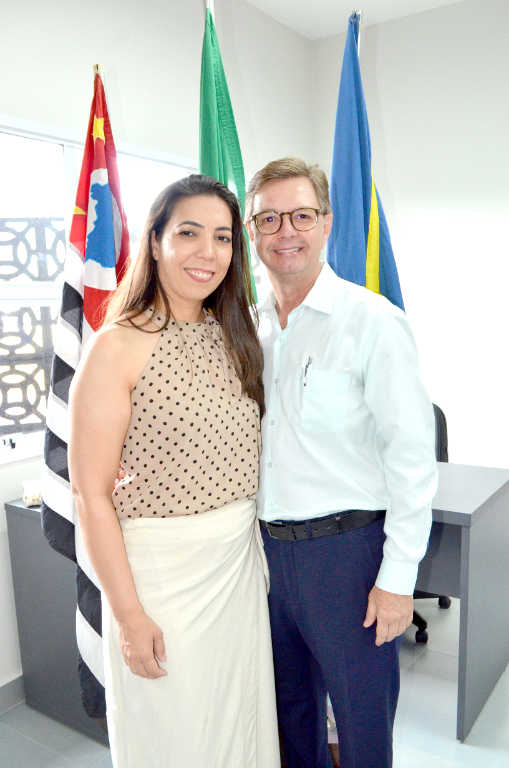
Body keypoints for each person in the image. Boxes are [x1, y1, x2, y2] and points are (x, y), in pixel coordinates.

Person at [68, 175, 280, 768]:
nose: (207, 253)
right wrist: (129, 616)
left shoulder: (235, 336)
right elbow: (90, 495)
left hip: (236, 572)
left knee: (239, 728)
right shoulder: (117, 346)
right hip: (161, 581)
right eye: (188, 233)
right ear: (154, 241)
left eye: (221, 237)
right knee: (175, 738)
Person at [244, 157, 438, 768]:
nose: (286, 231)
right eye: (268, 218)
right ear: (252, 231)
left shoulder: (372, 321)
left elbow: (411, 458)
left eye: (302, 215)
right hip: (267, 558)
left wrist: (397, 579)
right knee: (290, 716)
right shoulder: (249, 330)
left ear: (326, 223)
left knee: (360, 726)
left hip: (349, 561)